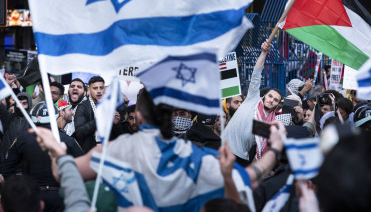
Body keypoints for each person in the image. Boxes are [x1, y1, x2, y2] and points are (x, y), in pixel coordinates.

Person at [33, 88, 287, 211]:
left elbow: (65, 174)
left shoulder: (114, 151)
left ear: (139, 116)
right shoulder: (202, 159)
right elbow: (250, 177)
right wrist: (274, 150)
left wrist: (56, 150)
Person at [2, 101, 84, 212]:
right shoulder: (67, 140)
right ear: (55, 117)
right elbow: (82, 167)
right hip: (59, 196)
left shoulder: (22, 139)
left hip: (31, 196)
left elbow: (6, 170)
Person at [221, 41, 282, 166]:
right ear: (264, 96)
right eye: (270, 96)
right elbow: (256, 73)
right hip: (223, 147)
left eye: (275, 100)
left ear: (277, 105)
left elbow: (259, 148)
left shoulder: (269, 123)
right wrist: (264, 52)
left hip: (241, 158)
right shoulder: (253, 98)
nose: (271, 100)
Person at [0, 92, 32, 180]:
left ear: (29, 104)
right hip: (7, 168)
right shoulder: (9, 118)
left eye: (24, 103)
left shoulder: (34, 122)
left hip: (26, 169)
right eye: (18, 103)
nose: (21, 106)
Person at [74, 76, 105, 153]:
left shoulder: (109, 106)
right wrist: (97, 121)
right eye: (95, 88)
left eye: (101, 88)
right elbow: (79, 132)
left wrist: (116, 124)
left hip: (106, 151)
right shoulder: (83, 107)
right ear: (89, 90)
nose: (99, 91)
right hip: (89, 153)